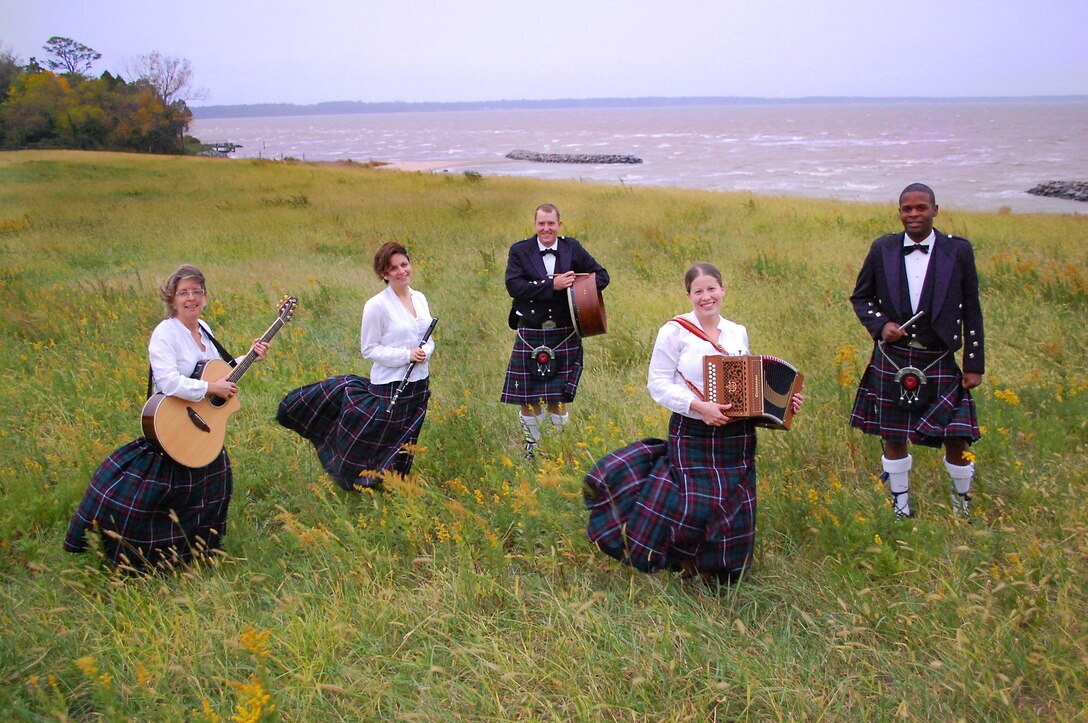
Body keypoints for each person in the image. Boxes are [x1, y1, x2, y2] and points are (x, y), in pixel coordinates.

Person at [583, 263, 803, 584]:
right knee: (691, 508)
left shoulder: (737, 331)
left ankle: (717, 575)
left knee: (733, 509)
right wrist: (699, 407)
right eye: (698, 291)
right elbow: (657, 383)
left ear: (723, 289)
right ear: (688, 295)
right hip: (693, 432)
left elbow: (750, 391)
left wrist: (786, 404)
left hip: (736, 438)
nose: (706, 297)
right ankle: (684, 564)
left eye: (712, 288)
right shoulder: (674, 331)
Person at [64, 265, 269, 571]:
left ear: (205, 296)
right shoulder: (165, 333)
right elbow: (169, 381)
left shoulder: (205, 329)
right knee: (145, 498)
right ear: (172, 298)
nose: (191, 298)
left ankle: (199, 553)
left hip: (204, 426)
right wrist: (211, 387)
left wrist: (250, 356)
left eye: (196, 292)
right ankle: (139, 560)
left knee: (213, 488)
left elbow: (221, 372)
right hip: (173, 423)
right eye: (183, 292)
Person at [850, 183, 984, 521]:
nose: (914, 214)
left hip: (940, 357)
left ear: (934, 210)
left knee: (957, 435)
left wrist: (973, 364)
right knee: (894, 435)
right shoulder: (883, 249)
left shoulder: (958, 251)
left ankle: (961, 509)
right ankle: (900, 506)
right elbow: (861, 298)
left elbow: (972, 308)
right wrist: (882, 326)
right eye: (907, 209)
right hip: (894, 358)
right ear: (899, 212)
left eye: (921, 208)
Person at [278, 242, 435, 490]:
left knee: (406, 439)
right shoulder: (376, 305)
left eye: (404, 264)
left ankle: (395, 485)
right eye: (393, 268)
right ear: (384, 274)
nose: (401, 271)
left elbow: (427, 338)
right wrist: (406, 355)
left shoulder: (420, 298)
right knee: (382, 438)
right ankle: (362, 480)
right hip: (390, 383)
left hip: (419, 383)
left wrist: (425, 351)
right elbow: (369, 349)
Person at [501, 203, 609, 459]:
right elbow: (514, 286)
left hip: (564, 333)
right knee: (527, 399)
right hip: (531, 332)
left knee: (557, 398)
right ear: (535, 224)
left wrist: (577, 286)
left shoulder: (572, 247)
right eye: (541, 223)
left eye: (551, 223)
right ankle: (533, 448)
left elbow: (602, 276)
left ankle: (558, 448)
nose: (546, 228)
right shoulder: (520, 250)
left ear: (559, 224)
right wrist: (552, 284)